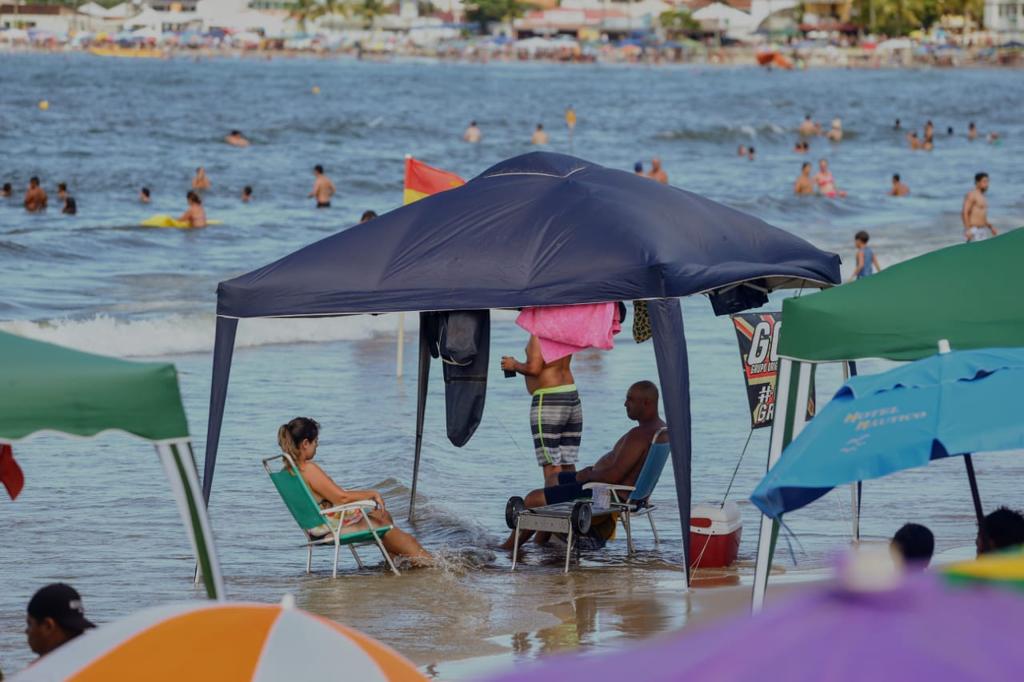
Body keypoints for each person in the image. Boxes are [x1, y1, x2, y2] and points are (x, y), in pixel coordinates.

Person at [500, 381, 666, 550]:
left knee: (532, 499)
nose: (625, 404)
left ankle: (508, 548)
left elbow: (613, 476)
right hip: (627, 493)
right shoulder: (660, 430)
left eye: (630, 399)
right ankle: (541, 543)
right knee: (553, 479)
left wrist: (586, 476)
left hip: (607, 494)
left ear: (647, 403)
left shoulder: (639, 435)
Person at [277, 417, 431, 564]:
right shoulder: (308, 469)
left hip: (317, 530)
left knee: (383, 515)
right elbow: (341, 499)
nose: (317, 446)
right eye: (315, 442)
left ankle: (393, 562)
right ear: (305, 443)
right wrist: (372, 494)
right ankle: (431, 564)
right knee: (394, 531)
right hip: (332, 528)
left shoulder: (288, 472)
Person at [501, 334, 582, 487]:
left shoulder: (539, 333)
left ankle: (555, 505)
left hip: (549, 399)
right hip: (571, 394)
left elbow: (534, 368)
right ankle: (572, 500)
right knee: (567, 459)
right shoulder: (565, 328)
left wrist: (513, 365)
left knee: (551, 461)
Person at [25, 583, 95, 658]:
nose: (26, 631)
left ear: (48, 626)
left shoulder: (50, 668)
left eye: (30, 624)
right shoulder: (96, 659)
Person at [962, 172, 996, 242]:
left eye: (987, 181)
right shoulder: (972, 195)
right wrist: (968, 229)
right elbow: (964, 212)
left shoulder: (982, 196)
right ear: (977, 182)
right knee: (973, 252)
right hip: (973, 229)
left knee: (984, 251)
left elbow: (981, 216)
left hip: (982, 229)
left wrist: (990, 227)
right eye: (984, 181)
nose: (987, 184)